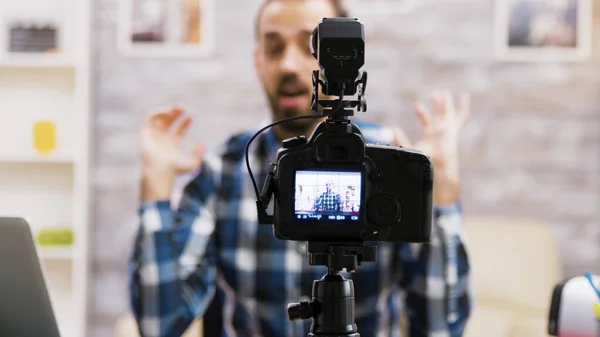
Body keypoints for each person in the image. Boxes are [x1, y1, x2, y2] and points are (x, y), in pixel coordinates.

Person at [129, 0, 473, 336]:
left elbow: (440, 327)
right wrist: (155, 189)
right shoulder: (223, 170)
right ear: (258, 62)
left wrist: (440, 192)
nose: (290, 65)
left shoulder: (388, 166)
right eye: (274, 48)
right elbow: (160, 325)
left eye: (311, 47)